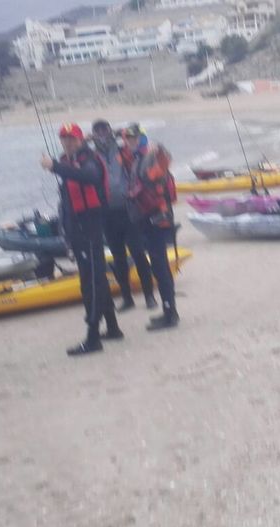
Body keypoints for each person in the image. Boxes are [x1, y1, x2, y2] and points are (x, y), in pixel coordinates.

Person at [41, 123, 123, 356]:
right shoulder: (68, 162)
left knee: (91, 282)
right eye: (64, 139)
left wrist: (55, 166)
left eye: (72, 139)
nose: (68, 143)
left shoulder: (89, 159)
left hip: (90, 228)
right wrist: (65, 232)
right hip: (76, 229)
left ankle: (93, 338)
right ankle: (113, 327)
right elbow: (67, 201)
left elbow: (90, 176)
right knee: (97, 279)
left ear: (80, 140)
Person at [90, 119, 156, 311]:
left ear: (110, 131)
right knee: (118, 257)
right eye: (97, 131)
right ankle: (127, 298)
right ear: (93, 134)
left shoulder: (123, 151)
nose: (102, 134)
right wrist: (86, 140)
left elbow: (142, 144)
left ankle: (149, 296)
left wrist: (122, 133)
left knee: (138, 253)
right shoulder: (92, 156)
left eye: (105, 129)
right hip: (106, 213)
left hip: (128, 210)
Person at [122, 124, 179, 331]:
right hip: (148, 220)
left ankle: (170, 314)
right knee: (159, 267)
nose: (132, 141)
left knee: (160, 268)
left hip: (157, 220)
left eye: (135, 138)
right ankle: (169, 311)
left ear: (142, 138)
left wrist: (159, 149)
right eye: (128, 138)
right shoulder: (138, 159)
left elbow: (164, 163)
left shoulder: (150, 157)